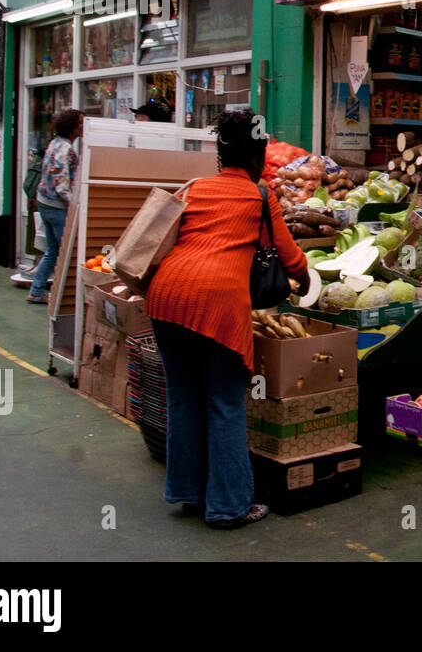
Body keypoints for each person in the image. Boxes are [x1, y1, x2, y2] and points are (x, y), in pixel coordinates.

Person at [145, 110, 309, 529]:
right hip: (215, 304)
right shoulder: (259, 195)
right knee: (224, 404)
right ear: (258, 158)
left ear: (220, 155)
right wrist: (305, 280)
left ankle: (187, 492)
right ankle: (229, 507)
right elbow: (288, 257)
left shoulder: (196, 187)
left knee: (183, 397)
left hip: (166, 298)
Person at [28, 109, 84, 304]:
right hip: (57, 207)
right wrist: (76, 205)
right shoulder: (66, 150)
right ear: (72, 126)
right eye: (80, 123)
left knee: (53, 251)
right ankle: (64, 298)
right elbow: (62, 186)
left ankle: (36, 291)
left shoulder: (54, 144)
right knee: (66, 253)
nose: (82, 127)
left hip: (44, 203)